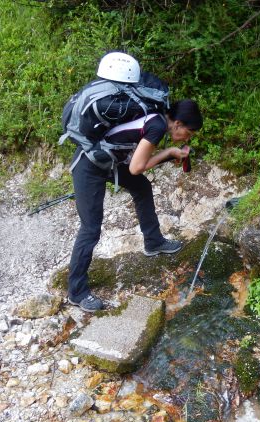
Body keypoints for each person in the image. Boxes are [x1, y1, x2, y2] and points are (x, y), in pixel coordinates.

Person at [67, 56, 203, 312]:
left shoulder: (153, 115)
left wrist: (169, 152)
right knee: (91, 228)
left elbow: (130, 154)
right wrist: (169, 153)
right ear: (178, 124)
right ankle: (77, 291)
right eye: (189, 132)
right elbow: (137, 167)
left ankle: (153, 242)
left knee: (142, 187)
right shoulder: (157, 126)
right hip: (89, 165)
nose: (188, 137)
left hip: (109, 159)